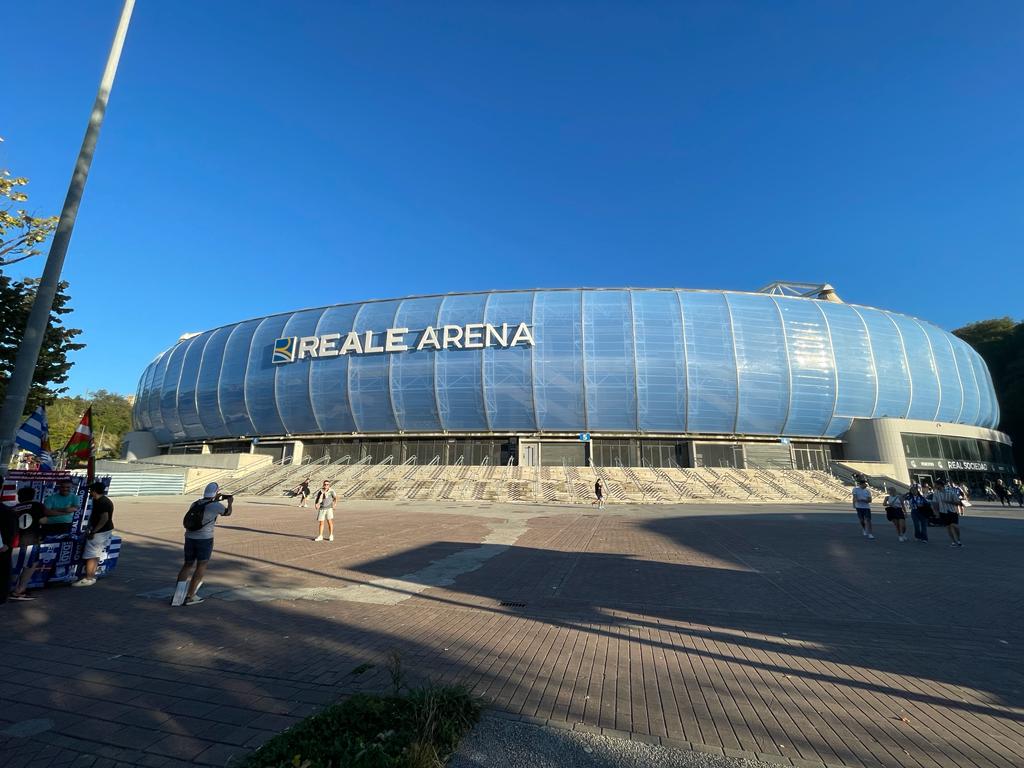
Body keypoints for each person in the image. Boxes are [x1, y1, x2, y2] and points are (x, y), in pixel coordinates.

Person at [174, 482, 233, 606]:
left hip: (189, 537)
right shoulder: (216, 506)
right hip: (205, 539)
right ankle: (190, 596)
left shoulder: (195, 503)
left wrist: (214, 499)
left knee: (187, 564)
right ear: (216, 493)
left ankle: (178, 595)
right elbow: (227, 513)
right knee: (201, 565)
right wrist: (230, 502)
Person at [8, 487, 47, 601]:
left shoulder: (13, 509)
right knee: (30, 565)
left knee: (15, 566)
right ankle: (19, 591)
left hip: (15, 542)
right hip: (31, 540)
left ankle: (9, 589)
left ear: (19, 497)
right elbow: (43, 520)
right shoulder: (36, 505)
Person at [72, 482, 114, 587]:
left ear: (95, 491)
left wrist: (94, 531)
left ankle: (88, 578)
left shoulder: (101, 502)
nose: (90, 492)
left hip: (100, 532)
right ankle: (92, 576)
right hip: (105, 530)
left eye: (91, 490)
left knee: (91, 555)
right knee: (95, 554)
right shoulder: (104, 500)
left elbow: (104, 518)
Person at [932, 478, 963, 547]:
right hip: (943, 512)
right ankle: (953, 541)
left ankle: (958, 539)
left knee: (955, 526)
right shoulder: (936, 493)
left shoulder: (950, 492)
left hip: (952, 511)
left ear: (940, 485)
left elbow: (958, 502)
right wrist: (936, 512)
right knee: (948, 527)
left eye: (936, 485)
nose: (934, 486)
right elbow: (935, 503)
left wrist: (949, 502)